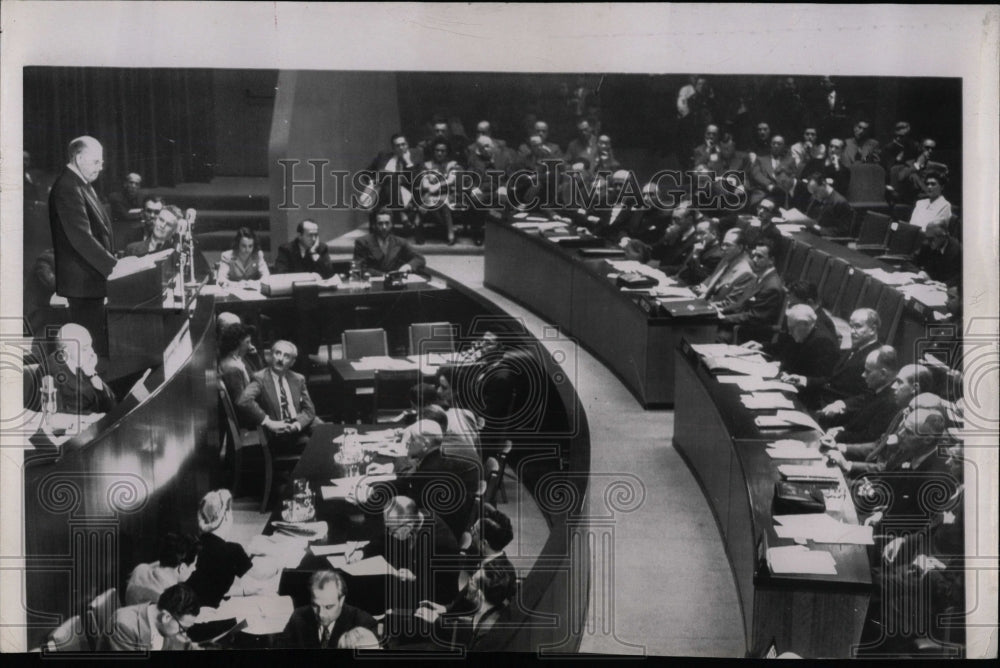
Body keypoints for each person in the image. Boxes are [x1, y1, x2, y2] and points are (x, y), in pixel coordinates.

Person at [48, 136, 117, 358]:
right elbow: (81, 239)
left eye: (102, 162)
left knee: (94, 345)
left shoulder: (80, 184)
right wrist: (115, 268)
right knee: (89, 349)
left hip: (90, 281)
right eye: (96, 161)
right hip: (83, 285)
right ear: (78, 158)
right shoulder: (68, 186)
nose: (101, 167)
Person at [374, 419, 480, 541]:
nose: (408, 441)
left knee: (384, 515)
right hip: (456, 515)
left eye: (412, 439)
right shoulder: (436, 456)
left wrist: (376, 491)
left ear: (425, 444)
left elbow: (410, 504)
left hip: (439, 530)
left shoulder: (430, 469)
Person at [354, 495, 461, 606]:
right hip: (410, 578)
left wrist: (414, 578)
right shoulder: (415, 517)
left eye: (391, 530)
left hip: (433, 598)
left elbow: (442, 587)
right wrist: (363, 552)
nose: (389, 533)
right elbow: (385, 538)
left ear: (408, 526)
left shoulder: (440, 543)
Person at [827, 364, 935, 469]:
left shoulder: (919, 428)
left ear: (914, 388)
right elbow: (879, 446)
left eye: (899, 382)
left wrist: (848, 465)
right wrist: (842, 447)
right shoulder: (902, 412)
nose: (893, 386)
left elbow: (888, 469)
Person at [185, 489, 272, 607]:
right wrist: (279, 560)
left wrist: (246, 591)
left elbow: (210, 587)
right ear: (225, 516)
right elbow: (263, 575)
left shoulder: (197, 543)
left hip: (189, 604)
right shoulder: (233, 550)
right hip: (206, 614)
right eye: (231, 512)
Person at [414, 558, 517, 650]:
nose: (468, 583)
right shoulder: (497, 608)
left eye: (471, 581)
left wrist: (437, 620)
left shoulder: (487, 634)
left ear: (480, 594)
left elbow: (468, 637)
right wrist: (441, 614)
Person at [237, 340, 317, 452]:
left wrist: (297, 425)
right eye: (277, 353)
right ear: (270, 356)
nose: (280, 359)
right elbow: (244, 401)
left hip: (297, 424)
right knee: (314, 446)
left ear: (292, 362)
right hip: (278, 430)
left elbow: (309, 410)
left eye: (286, 356)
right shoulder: (260, 378)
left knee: (327, 434)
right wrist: (268, 422)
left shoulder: (298, 379)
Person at [816, 345, 901, 444]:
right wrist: (843, 428)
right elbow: (863, 407)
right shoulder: (879, 388)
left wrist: (838, 435)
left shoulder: (891, 401)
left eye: (868, 371)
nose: (863, 375)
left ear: (883, 374)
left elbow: (871, 438)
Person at [800, 308, 882, 408]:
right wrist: (804, 380)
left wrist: (844, 404)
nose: (852, 331)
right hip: (822, 401)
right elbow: (832, 379)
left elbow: (870, 395)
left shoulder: (876, 356)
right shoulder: (854, 348)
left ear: (872, 329)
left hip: (837, 411)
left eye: (858, 326)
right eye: (851, 326)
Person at [278, 570, 378, 649]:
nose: (321, 614)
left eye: (328, 607)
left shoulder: (364, 625)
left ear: (342, 600)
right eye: (315, 606)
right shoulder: (299, 616)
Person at [719, 240, 786, 344]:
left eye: (759, 257)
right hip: (738, 323)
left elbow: (754, 318)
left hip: (746, 334)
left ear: (771, 260)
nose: (754, 260)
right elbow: (740, 304)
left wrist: (723, 319)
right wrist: (719, 310)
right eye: (754, 255)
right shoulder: (759, 276)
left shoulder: (772, 288)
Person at [46, 323, 116, 416]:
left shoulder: (82, 364)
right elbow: (57, 414)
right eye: (84, 348)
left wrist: (92, 373)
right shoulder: (51, 370)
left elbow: (111, 407)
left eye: (91, 346)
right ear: (66, 351)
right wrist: (91, 417)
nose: (92, 352)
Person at [106, 583, 202, 651]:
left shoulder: (166, 620)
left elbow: (182, 644)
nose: (184, 634)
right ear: (166, 617)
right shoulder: (123, 626)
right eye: (183, 629)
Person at [364, 133, 424, 239]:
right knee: (390, 180)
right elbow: (366, 173)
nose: (401, 148)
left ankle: (401, 214)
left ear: (407, 145)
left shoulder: (416, 156)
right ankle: (402, 215)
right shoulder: (384, 156)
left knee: (392, 180)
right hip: (383, 194)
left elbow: (418, 180)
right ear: (393, 148)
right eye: (398, 145)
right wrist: (374, 181)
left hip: (408, 193)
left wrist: (409, 163)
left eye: (403, 144)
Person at [766, 304, 840, 385]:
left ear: (805, 324)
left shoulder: (824, 342)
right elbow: (792, 359)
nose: (790, 333)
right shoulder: (803, 333)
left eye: (792, 328)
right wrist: (781, 365)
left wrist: (803, 380)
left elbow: (826, 379)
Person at [124, 533, 201, 606]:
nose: (194, 569)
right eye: (193, 565)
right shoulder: (170, 599)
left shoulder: (139, 569)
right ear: (182, 568)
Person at [691, 228, 756, 312]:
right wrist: (700, 288)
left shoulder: (745, 272)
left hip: (717, 315)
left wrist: (702, 306)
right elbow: (712, 277)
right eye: (723, 244)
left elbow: (731, 305)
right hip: (705, 303)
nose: (723, 248)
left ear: (740, 247)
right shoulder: (726, 259)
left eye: (728, 245)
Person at [354, 209, 427, 274]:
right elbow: (359, 267)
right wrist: (385, 275)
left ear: (392, 224)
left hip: (394, 284)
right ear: (374, 225)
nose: (384, 227)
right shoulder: (362, 242)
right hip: (373, 282)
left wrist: (408, 266)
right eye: (380, 223)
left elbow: (419, 258)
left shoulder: (400, 242)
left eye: (387, 223)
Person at [418, 139, 461, 245]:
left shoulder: (452, 164)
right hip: (431, 195)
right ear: (433, 151)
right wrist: (432, 187)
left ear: (447, 152)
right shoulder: (427, 165)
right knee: (438, 202)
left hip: (448, 195)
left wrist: (436, 185)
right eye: (437, 150)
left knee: (443, 202)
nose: (440, 153)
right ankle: (449, 232)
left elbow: (451, 181)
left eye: (443, 151)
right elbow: (425, 184)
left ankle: (446, 231)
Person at [785, 279, 839, 345]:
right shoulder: (817, 319)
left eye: (793, 305)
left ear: (809, 302)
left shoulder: (820, 324)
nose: (790, 310)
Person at [912, 219, 962, 287]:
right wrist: (920, 272)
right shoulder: (927, 245)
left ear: (944, 236)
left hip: (945, 288)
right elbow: (909, 261)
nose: (928, 242)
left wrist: (945, 284)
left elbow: (961, 276)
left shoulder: (957, 250)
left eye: (931, 239)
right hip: (927, 286)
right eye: (927, 238)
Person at [218, 323, 256, 412]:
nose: (250, 346)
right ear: (238, 342)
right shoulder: (233, 368)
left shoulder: (236, 360)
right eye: (247, 342)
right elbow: (242, 403)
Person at [674, 219, 724, 285]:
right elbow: (685, 266)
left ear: (713, 233)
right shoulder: (702, 245)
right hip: (680, 279)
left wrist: (696, 255)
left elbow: (699, 277)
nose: (698, 237)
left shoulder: (717, 255)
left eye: (702, 233)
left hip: (690, 287)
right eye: (697, 233)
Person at [803, 172, 853, 237]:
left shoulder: (840, 203)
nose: (814, 196)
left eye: (815, 192)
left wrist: (818, 228)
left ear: (824, 183)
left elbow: (843, 231)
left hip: (828, 241)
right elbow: (808, 216)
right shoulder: (814, 199)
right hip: (812, 236)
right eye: (812, 193)